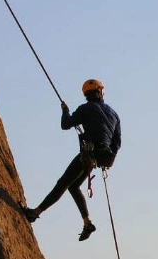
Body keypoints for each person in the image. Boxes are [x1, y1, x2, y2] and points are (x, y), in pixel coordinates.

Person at [22, 79, 121, 241]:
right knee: (73, 186)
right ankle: (87, 223)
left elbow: (66, 124)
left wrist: (65, 111)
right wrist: (107, 159)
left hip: (88, 154)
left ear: (86, 94)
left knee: (63, 183)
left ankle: (35, 213)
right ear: (100, 92)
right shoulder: (114, 114)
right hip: (101, 156)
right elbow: (117, 143)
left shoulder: (86, 108)